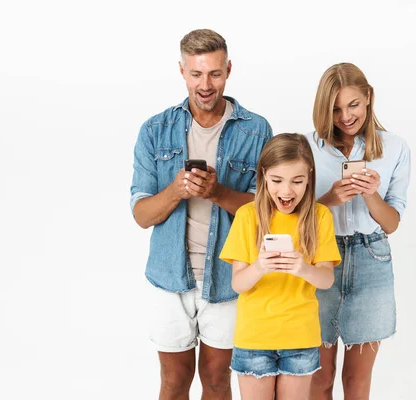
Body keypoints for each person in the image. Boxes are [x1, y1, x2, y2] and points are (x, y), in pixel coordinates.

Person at [130, 29, 272, 399]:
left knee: (216, 381)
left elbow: (267, 211)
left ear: (228, 70)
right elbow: (142, 215)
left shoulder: (256, 130)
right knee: (174, 383)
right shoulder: (155, 130)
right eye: (196, 74)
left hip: (228, 276)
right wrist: (177, 190)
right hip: (169, 276)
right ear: (182, 71)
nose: (205, 84)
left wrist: (218, 192)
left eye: (214, 74)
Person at [307, 63, 411, 399]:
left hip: (372, 260)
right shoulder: (307, 146)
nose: (345, 116)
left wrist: (370, 194)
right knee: (319, 379)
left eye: (353, 105)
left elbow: (392, 223)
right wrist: (330, 199)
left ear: (368, 97)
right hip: (322, 257)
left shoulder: (394, 147)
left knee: (356, 382)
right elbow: (293, 217)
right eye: (335, 109)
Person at [219, 133, 342, 400]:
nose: (287, 191)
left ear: (309, 176)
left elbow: (326, 279)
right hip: (254, 339)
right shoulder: (247, 216)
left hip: (301, 338)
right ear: (263, 175)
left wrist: (303, 268)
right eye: (277, 180)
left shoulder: (320, 217)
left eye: (297, 181)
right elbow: (238, 284)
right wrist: (260, 267)